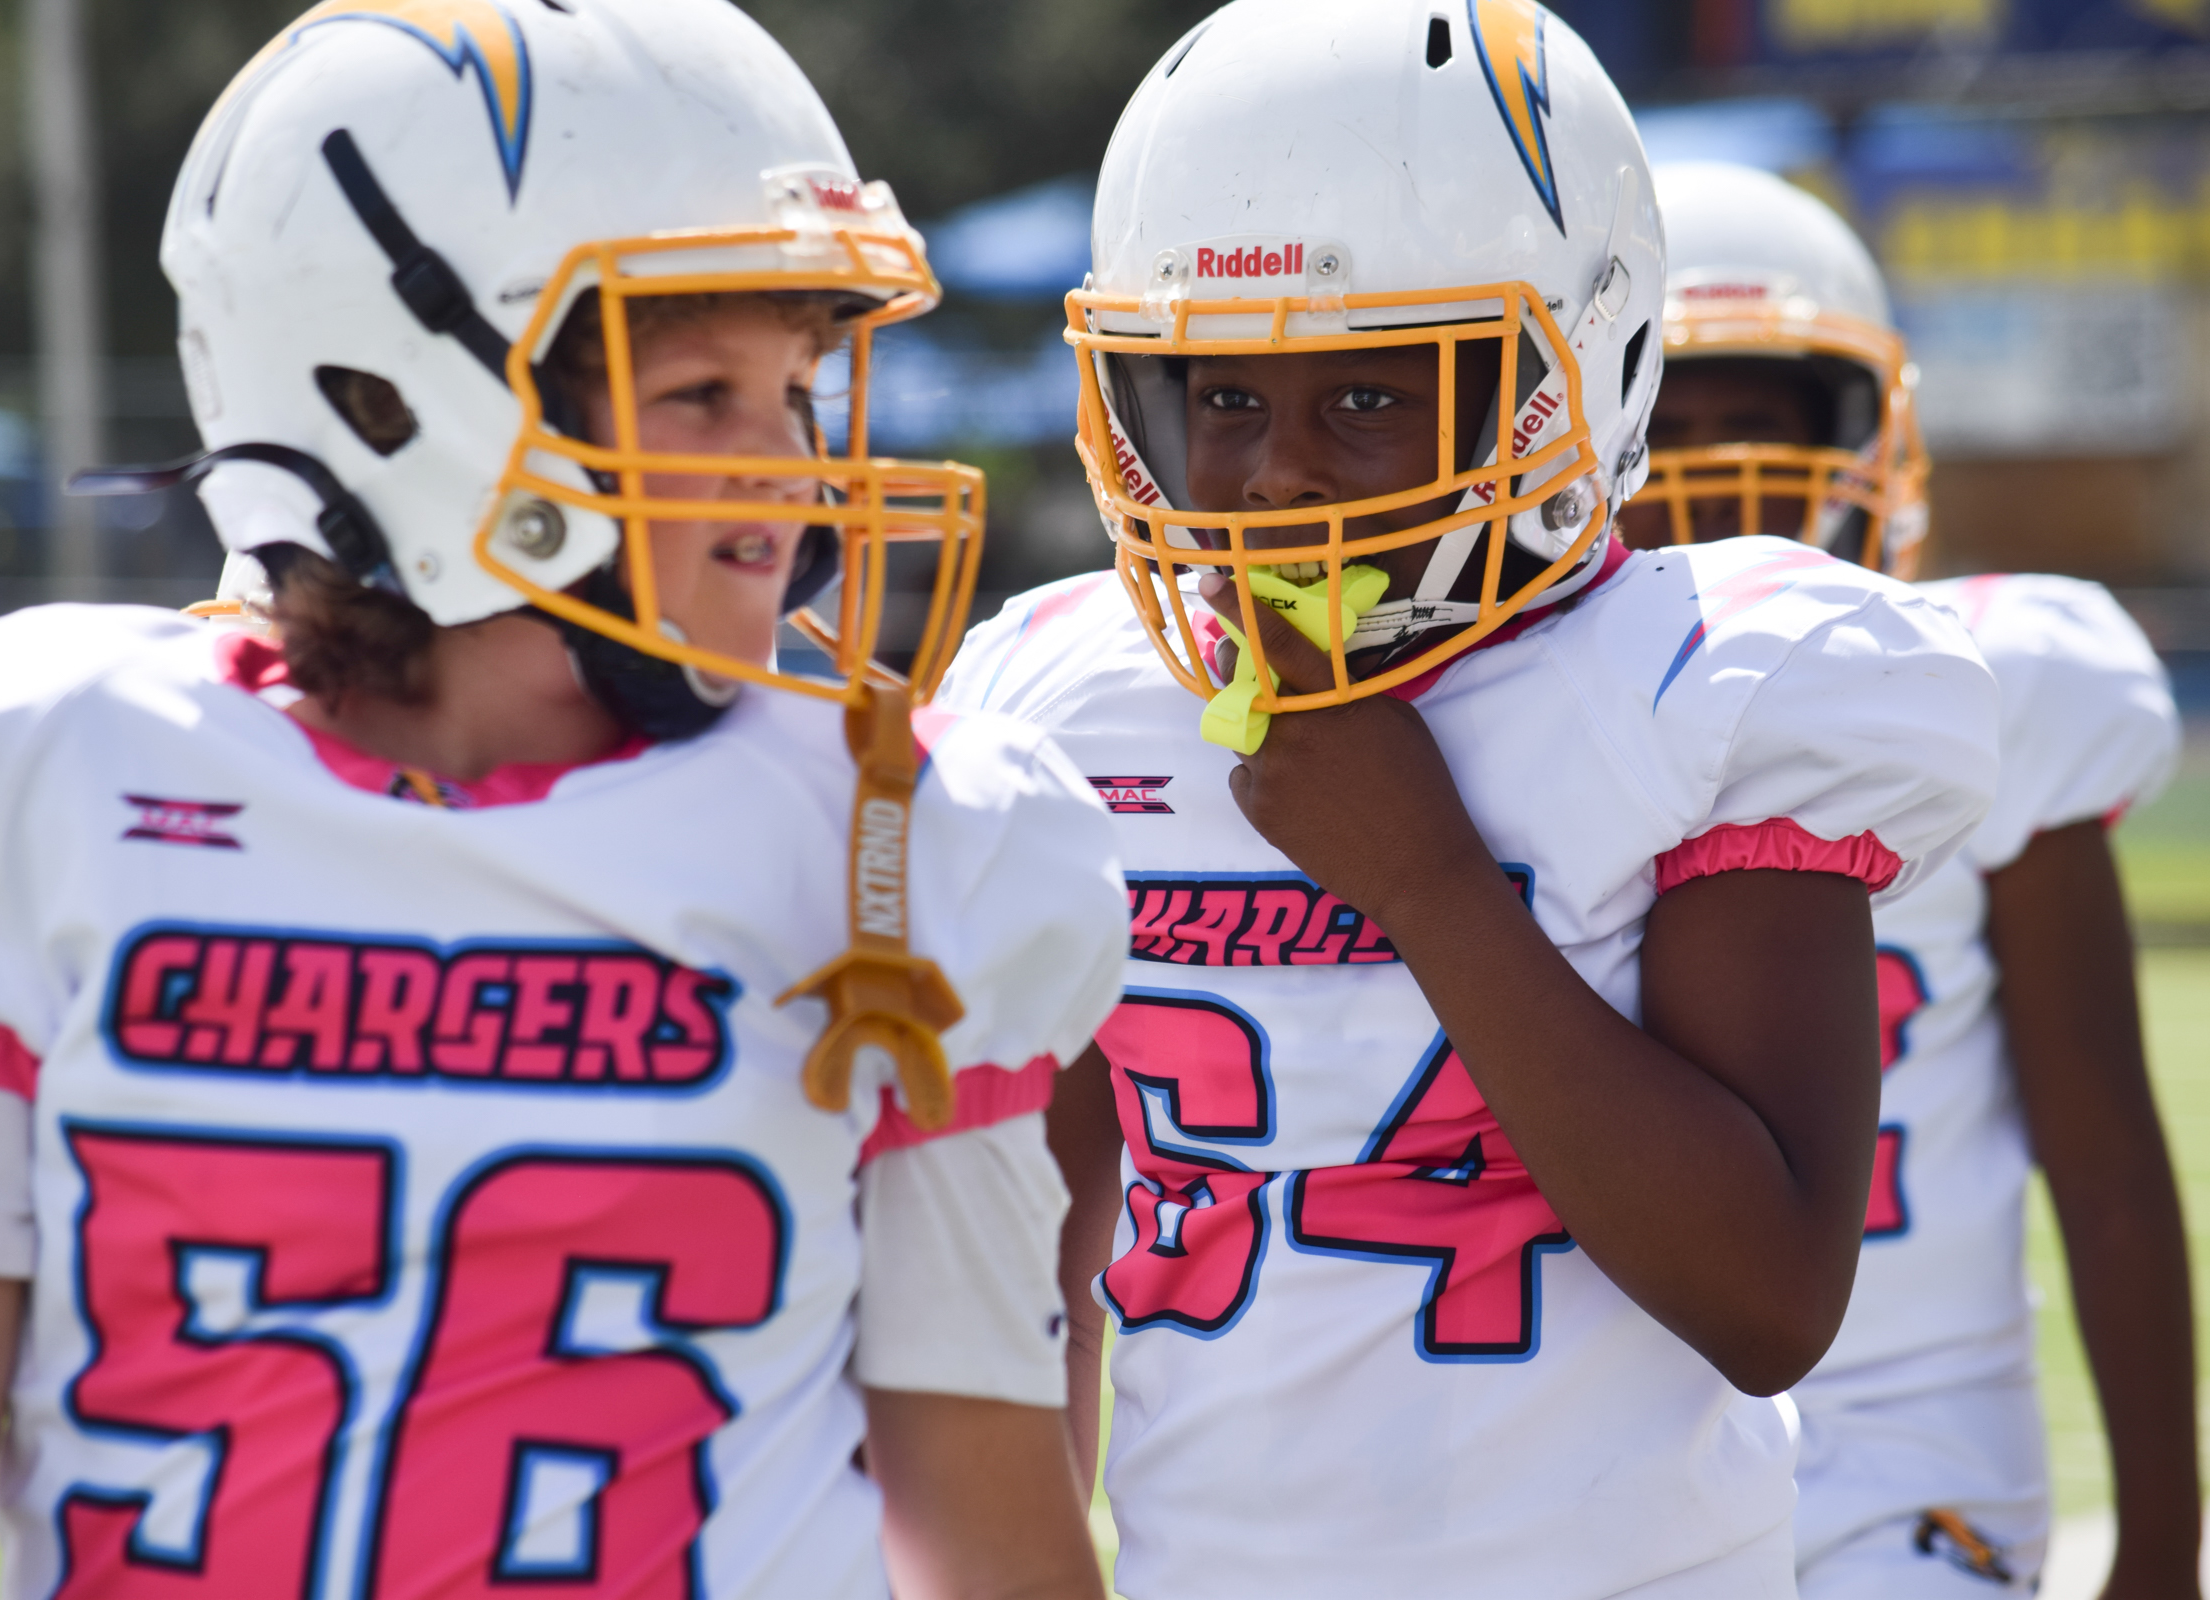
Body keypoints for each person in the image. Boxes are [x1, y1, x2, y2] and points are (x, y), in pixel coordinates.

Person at [0, 3, 1128, 1596]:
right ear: (385, 396)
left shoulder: (898, 837)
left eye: (799, 390)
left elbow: (979, 1517)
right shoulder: (42, 780)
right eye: (702, 392)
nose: (790, 467)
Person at [938, 2, 2003, 1595]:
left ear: (1575, 369)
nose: (1276, 473)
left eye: (1369, 396)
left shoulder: (1695, 683)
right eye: (1222, 399)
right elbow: (1036, 1260)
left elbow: (1770, 1300)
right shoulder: (1075, 700)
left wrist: (1430, 884)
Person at [1625, 159, 2198, 1600]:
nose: (1708, 477)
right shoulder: (1509, 719)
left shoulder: (1987, 686)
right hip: (1617, 1451)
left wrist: (2161, 1545)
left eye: (1754, 426)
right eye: (1663, 429)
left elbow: (2106, 1161)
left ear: (1864, 437)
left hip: (1910, 1453)